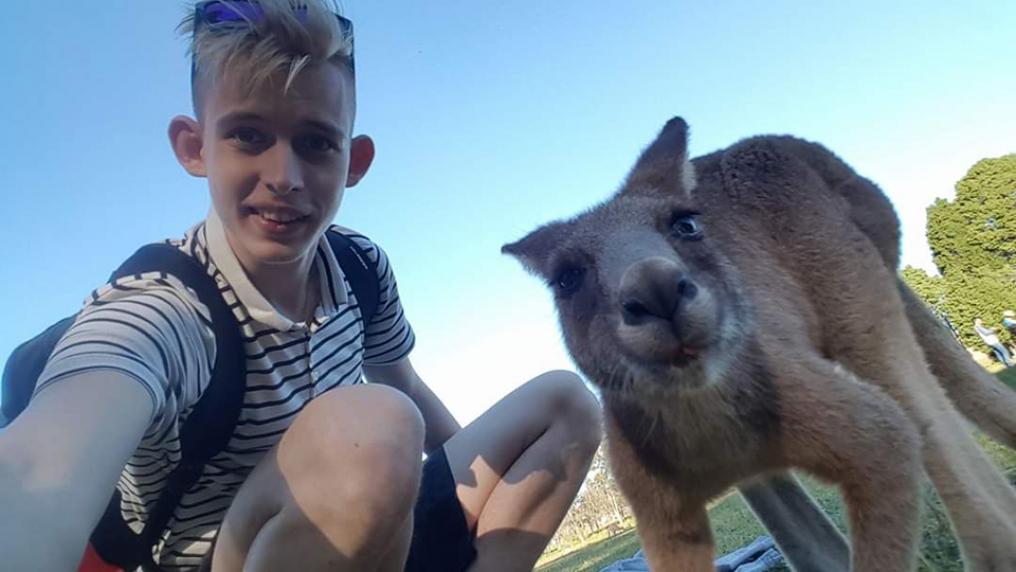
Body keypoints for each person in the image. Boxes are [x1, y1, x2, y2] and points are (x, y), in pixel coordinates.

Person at [0, 2, 602, 570]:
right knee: (370, 430)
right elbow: (38, 467)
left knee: (565, 404)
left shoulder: (361, 267)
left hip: (369, 526)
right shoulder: (165, 307)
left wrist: (472, 491)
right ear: (194, 147)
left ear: (355, 161)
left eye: (315, 142)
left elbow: (406, 384)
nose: (284, 178)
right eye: (248, 136)